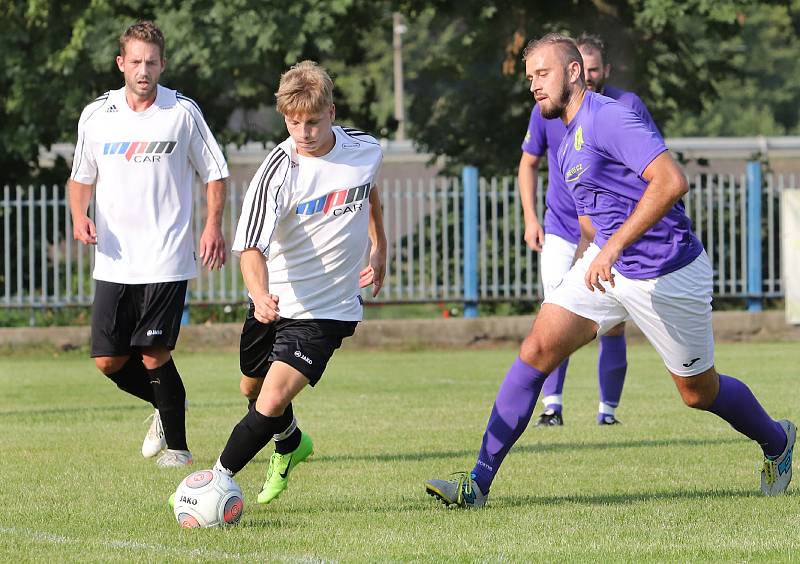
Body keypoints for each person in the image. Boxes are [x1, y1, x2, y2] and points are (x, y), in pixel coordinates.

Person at [425, 33, 794, 508]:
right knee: (537, 348)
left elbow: (671, 181)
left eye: (543, 74)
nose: (534, 86)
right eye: (529, 77)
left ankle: (777, 442)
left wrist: (612, 246)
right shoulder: (561, 138)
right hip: (609, 268)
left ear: (574, 72)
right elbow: (592, 212)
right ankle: (476, 483)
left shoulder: (611, 117)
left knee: (698, 393)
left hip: (668, 272)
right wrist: (596, 247)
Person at [211, 60, 386, 505]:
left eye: (312, 121)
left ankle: (215, 483)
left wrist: (378, 245)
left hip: (327, 310)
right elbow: (249, 247)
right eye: (293, 123)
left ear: (331, 110)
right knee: (251, 387)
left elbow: (368, 189)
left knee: (269, 399)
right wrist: (258, 295)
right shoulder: (277, 171)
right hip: (275, 300)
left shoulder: (364, 148)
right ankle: (290, 443)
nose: (303, 132)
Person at [68, 21, 229, 467]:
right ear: (121, 63)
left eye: (151, 62)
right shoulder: (97, 115)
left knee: (155, 353)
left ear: (163, 64)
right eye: (135, 61)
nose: (143, 70)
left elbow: (215, 172)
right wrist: (79, 216)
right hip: (114, 261)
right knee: (108, 361)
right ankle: (164, 405)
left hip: (167, 256)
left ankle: (177, 449)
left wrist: (212, 226)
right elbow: (81, 179)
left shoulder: (182, 113)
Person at [519, 32, 660, 427]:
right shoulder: (548, 110)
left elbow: (658, 171)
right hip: (563, 230)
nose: (592, 76)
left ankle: (607, 412)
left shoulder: (622, 108)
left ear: (600, 70)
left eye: (596, 68)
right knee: (553, 315)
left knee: (613, 325)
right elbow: (528, 163)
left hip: (612, 235)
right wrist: (531, 218)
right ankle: (553, 406)